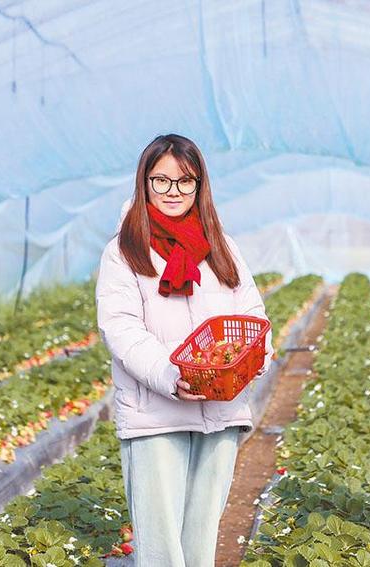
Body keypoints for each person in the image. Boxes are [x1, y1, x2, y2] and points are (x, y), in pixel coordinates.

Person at [96, 134, 271, 566]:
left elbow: (252, 316)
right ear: (144, 183)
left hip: (220, 410)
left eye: (184, 181)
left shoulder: (222, 247)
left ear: (199, 185)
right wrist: (173, 376)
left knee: (200, 540)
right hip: (156, 412)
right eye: (161, 181)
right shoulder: (125, 250)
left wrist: (254, 360)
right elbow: (121, 329)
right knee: (161, 547)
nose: (173, 192)